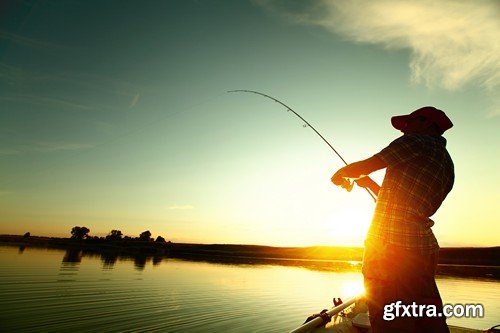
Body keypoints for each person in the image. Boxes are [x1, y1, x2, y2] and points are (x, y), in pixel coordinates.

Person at [331, 106, 454, 333]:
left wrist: (340, 173)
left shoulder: (416, 142)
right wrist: (368, 184)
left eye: (410, 123)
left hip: (391, 249)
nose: (404, 130)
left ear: (426, 124)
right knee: (426, 315)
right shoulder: (446, 163)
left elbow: (369, 164)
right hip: (423, 249)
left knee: (390, 319)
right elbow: (406, 204)